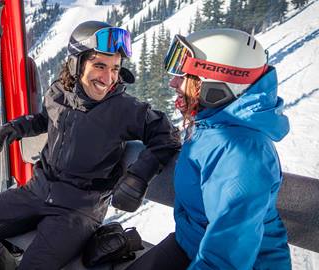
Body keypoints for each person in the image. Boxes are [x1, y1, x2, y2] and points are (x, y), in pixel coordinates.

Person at [0, 21, 180, 270]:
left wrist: (138, 176)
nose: (108, 77)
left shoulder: (125, 109)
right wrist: (20, 126)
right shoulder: (58, 92)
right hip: (36, 190)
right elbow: (47, 118)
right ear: (75, 64)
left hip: (78, 209)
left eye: (115, 68)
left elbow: (167, 135)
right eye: (100, 65)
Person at [122, 28, 292, 270]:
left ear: (216, 85)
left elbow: (227, 257)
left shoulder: (242, 152)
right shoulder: (213, 124)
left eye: (183, 75)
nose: (173, 82)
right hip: (190, 244)